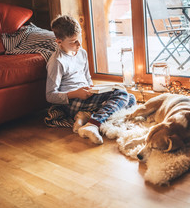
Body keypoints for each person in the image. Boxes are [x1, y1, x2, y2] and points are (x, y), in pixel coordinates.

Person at [46, 15, 136, 144]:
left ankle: (86, 116)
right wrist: (76, 93)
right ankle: (93, 124)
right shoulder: (57, 62)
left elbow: (87, 78)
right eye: (73, 41)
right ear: (59, 41)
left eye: (79, 38)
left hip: (86, 97)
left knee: (130, 98)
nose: (79, 44)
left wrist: (94, 90)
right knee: (121, 94)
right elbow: (50, 95)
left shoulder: (82, 53)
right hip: (71, 101)